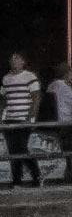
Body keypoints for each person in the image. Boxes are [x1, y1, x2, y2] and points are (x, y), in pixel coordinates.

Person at [1, 51, 35, 188]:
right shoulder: (6, 78)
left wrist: (31, 118)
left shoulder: (29, 76)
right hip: (10, 119)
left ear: (23, 62)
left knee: (21, 149)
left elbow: (36, 97)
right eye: (12, 59)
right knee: (13, 150)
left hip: (23, 118)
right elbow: (3, 99)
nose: (14, 61)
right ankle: (17, 181)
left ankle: (36, 174)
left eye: (17, 59)